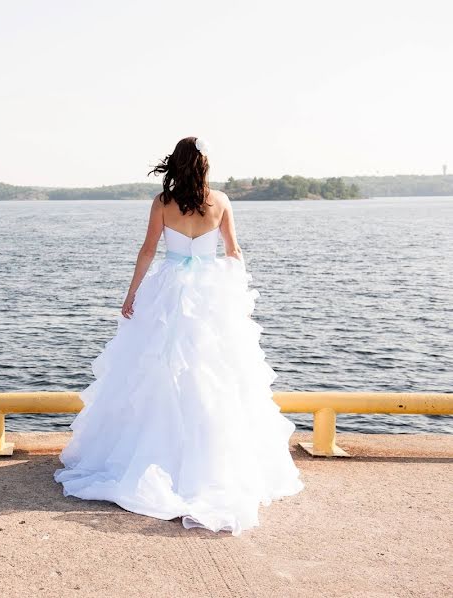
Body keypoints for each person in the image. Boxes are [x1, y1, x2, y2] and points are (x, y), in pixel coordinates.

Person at [53, 136, 303, 535]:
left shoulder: (162, 202)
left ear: (176, 163)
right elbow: (233, 252)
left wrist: (132, 292)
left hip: (167, 290)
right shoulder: (220, 201)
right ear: (204, 165)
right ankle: (211, 462)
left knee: (155, 366)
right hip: (208, 294)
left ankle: (150, 455)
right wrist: (236, 296)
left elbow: (148, 250)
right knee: (214, 370)